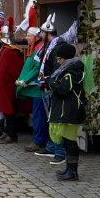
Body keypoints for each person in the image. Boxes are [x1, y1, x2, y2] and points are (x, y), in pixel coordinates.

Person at [35, 14, 79, 164]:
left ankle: (59, 152)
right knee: (50, 120)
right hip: (45, 84)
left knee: (55, 121)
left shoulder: (57, 46)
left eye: (42, 31)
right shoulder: (50, 44)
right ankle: (51, 146)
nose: (40, 34)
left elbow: (56, 68)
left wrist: (49, 82)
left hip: (50, 86)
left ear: (47, 32)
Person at [44, 43, 86, 181]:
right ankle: (69, 169)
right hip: (66, 110)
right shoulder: (68, 69)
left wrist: (50, 82)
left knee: (70, 142)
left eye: (60, 58)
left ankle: (73, 172)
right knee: (68, 141)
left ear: (65, 59)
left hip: (69, 111)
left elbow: (63, 89)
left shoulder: (73, 71)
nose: (58, 61)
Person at [0, 26, 29, 144]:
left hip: (8, 85)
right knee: (6, 109)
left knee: (9, 109)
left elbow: (15, 70)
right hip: (3, 85)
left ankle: (11, 134)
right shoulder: (6, 50)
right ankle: (8, 132)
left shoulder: (9, 51)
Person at [16, 27, 47, 152]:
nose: (26, 38)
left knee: (39, 116)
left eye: (29, 35)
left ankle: (39, 141)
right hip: (35, 89)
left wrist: (25, 80)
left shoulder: (39, 49)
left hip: (38, 89)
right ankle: (39, 139)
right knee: (38, 115)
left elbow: (37, 68)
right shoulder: (35, 48)